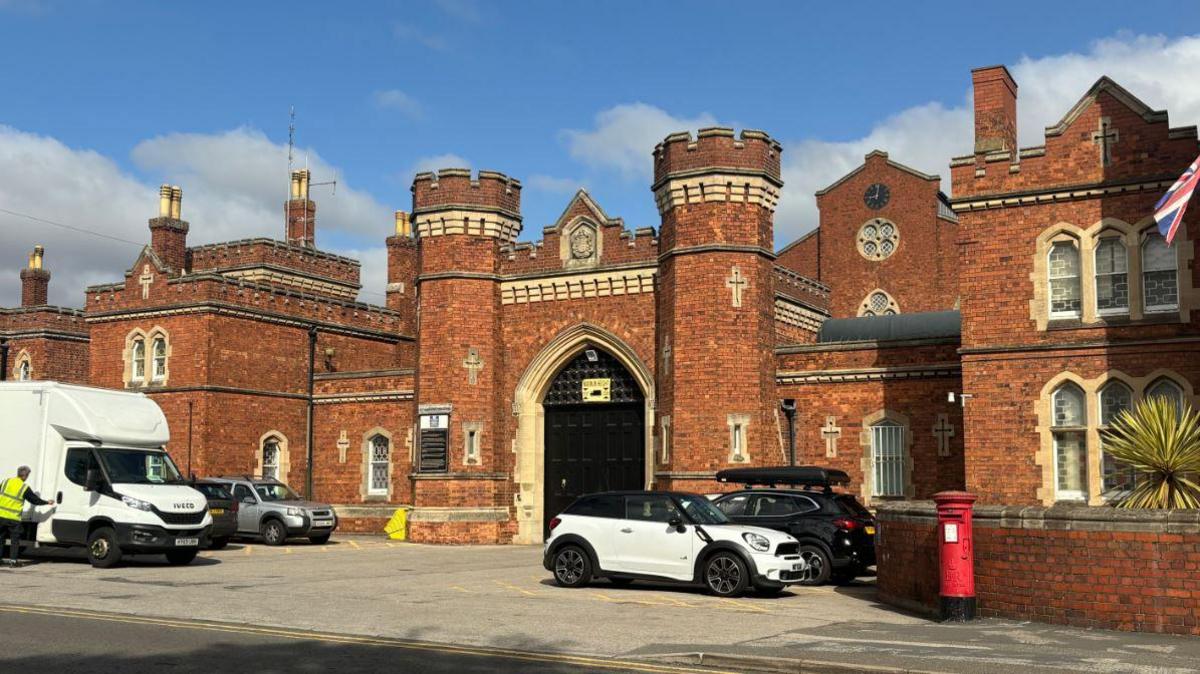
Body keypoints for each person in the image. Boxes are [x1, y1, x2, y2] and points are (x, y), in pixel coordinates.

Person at [1, 466, 55, 567]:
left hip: (0, 516)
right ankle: (13, 562)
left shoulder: (5, 481)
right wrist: (47, 502)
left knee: (0, 538)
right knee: (15, 540)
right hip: (13, 518)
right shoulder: (23, 487)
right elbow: (34, 500)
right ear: (25, 475)